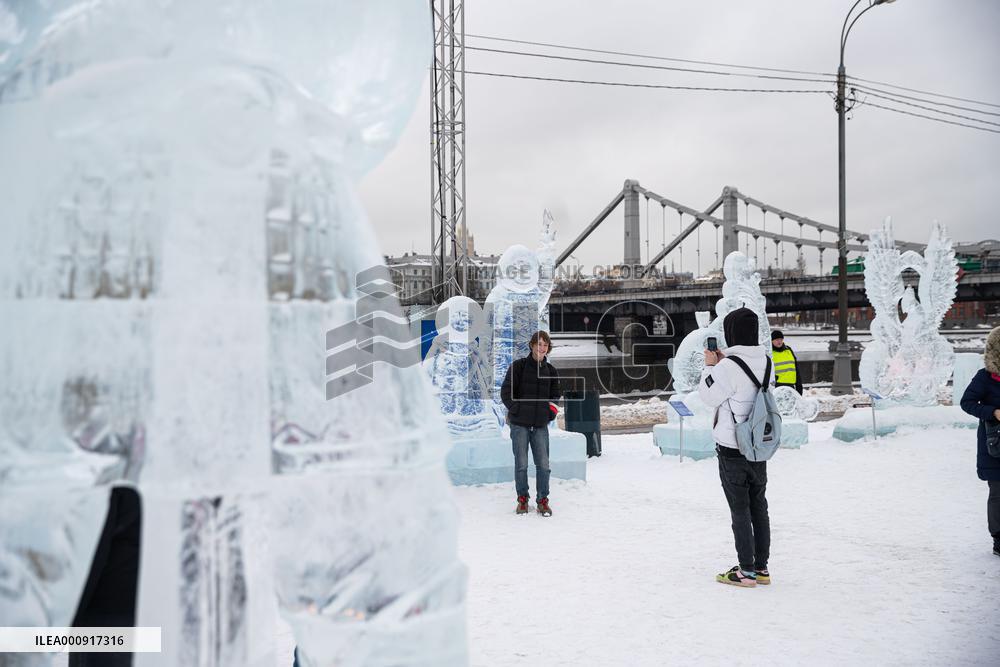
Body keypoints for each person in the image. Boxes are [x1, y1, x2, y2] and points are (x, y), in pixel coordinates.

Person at [698, 308, 774, 587]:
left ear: (731, 332)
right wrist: (723, 361)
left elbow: (708, 396)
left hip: (732, 446)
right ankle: (762, 567)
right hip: (758, 444)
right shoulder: (766, 361)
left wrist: (710, 366)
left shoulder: (727, 367)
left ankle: (745, 570)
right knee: (759, 506)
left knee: (739, 509)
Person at [500, 330, 561, 517]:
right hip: (520, 425)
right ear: (532, 345)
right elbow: (506, 392)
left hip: (540, 425)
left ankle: (543, 501)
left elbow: (555, 396)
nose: (541, 348)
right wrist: (516, 410)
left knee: (543, 465)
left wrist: (549, 413)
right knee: (522, 464)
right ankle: (522, 500)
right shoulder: (518, 367)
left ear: (548, 348)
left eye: (545, 344)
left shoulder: (550, 371)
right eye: (538, 344)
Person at [959, 326, 1000, 558]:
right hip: (995, 446)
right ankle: (998, 538)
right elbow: (967, 403)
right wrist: (993, 412)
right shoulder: (984, 377)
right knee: (998, 494)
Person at [770, 329, 802, 394]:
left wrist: (799, 385)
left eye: (781, 339)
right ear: (771, 341)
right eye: (777, 340)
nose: (779, 341)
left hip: (791, 387)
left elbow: (796, 369)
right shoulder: (769, 353)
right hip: (777, 387)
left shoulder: (789, 350)